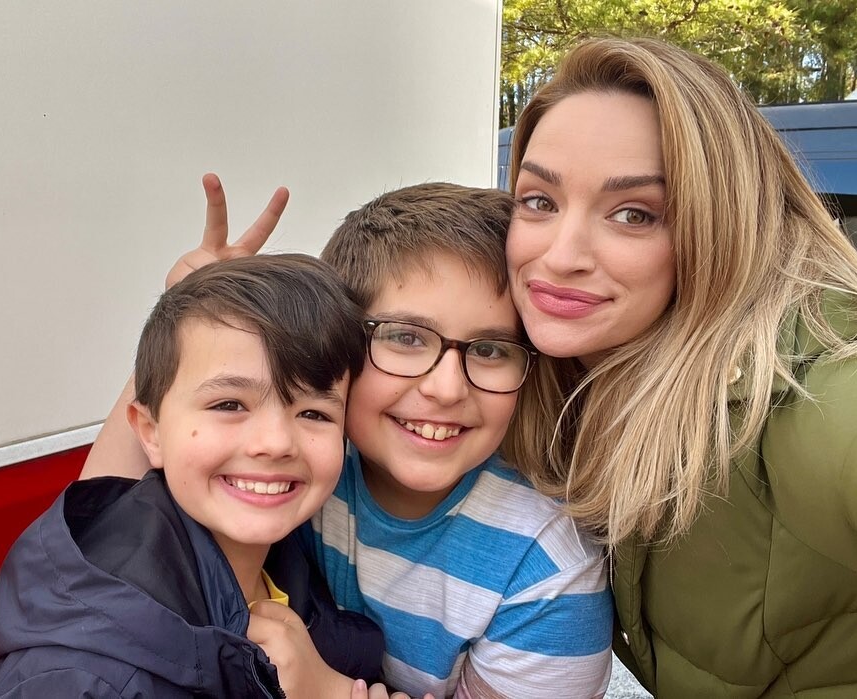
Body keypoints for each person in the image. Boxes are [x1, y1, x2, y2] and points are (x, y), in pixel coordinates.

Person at [82, 182, 614, 698]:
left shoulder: (547, 572)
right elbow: (109, 521)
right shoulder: (306, 463)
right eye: (405, 337)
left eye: (491, 350)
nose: (447, 388)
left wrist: (326, 691)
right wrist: (189, 325)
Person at [499, 36, 857, 696]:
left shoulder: (812, 396)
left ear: (718, 227)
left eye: (634, 214)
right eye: (539, 201)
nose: (561, 255)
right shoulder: (545, 375)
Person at [0, 254, 384, 698]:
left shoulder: (295, 563)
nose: (275, 443)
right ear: (150, 432)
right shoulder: (82, 680)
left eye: (314, 413)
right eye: (229, 404)